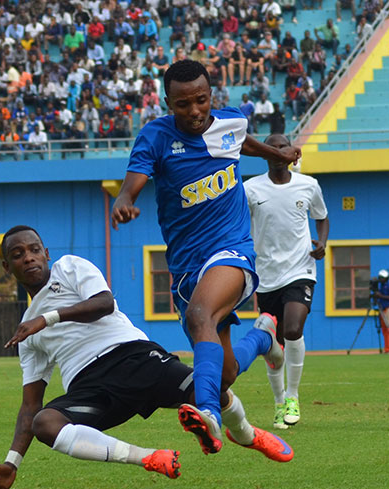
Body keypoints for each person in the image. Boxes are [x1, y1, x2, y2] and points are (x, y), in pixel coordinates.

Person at [0, 227, 293, 489]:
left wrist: (49, 318)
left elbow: (103, 303)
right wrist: (12, 462)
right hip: (91, 389)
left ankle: (247, 431)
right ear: (6, 267)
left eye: (33, 250)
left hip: (133, 357)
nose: (28, 257)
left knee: (215, 386)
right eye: (17, 254)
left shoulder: (69, 268)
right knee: (44, 422)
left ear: (46, 253)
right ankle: (149, 458)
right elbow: (30, 405)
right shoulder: (26, 330)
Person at [111, 60, 300, 454]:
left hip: (232, 250)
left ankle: (208, 414)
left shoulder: (230, 121)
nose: (195, 111)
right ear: (168, 103)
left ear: (212, 95)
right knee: (225, 371)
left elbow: (242, 140)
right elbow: (136, 178)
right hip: (186, 266)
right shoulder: (156, 136)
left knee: (201, 318)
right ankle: (263, 337)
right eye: (183, 105)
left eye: (201, 100)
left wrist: (273, 154)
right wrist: (126, 199)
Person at [244, 134, 329, 429]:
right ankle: (279, 402)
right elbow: (237, 224)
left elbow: (322, 216)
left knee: (293, 329)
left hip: (300, 270)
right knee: (274, 347)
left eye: (284, 146)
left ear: (292, 153)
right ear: (266, 154)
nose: (279, 151)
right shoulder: (250, 189)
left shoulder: (309, 185)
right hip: (266, 277)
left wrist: (323, 243)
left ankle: (293, 396)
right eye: (273, 147)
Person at [374, 269, 389, 354]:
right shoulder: (380, 286)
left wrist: (381, 296)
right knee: (384, 330)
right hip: (382, 310)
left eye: (382, 278)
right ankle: (387, 349)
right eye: (380, 277)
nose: (381, 279)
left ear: (387, 278)